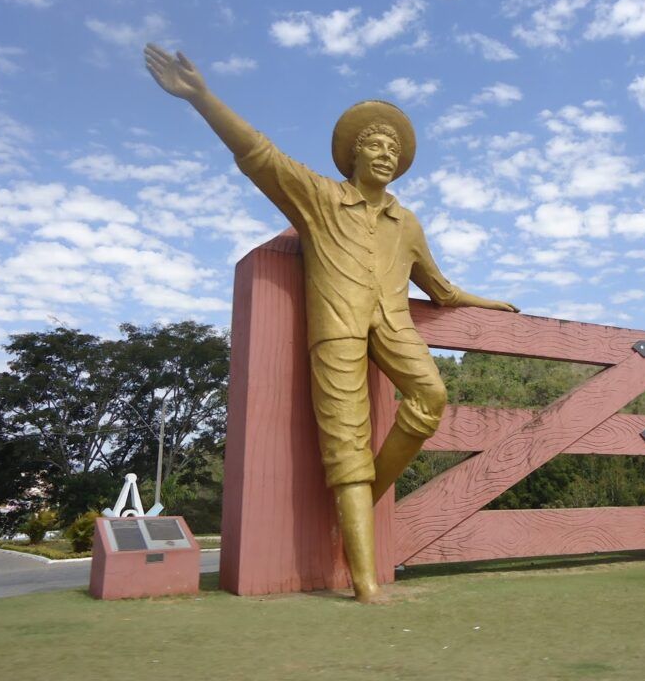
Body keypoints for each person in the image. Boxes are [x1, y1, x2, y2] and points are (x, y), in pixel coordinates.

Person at [144, 44, 518, 602]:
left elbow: (440, 289)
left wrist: (490, 304)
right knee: (346, 445)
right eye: (375, 144)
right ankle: (364, 581)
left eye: (394, 148)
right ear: (354, 156)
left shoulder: (406, 222)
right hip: (336, 333)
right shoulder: (319, 199)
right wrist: (202, 97)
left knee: (431, 396)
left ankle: (359, 499)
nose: (386, 154)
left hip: (393, 326)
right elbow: (261, 156)